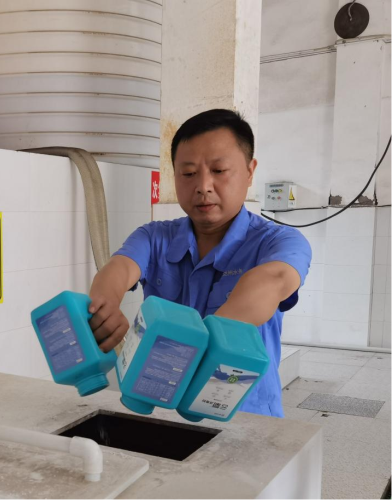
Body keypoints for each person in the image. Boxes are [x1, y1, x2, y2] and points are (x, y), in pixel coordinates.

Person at [88, 109, 311, 417]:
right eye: (189, 173)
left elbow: (272, 280)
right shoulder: (154, 237)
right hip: (161, 407)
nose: (203, 186)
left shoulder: (279, 241)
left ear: (250, 172)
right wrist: (104, 305)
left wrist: (201, 352)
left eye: (219, 170)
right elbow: (119, 268)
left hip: (247, 416)